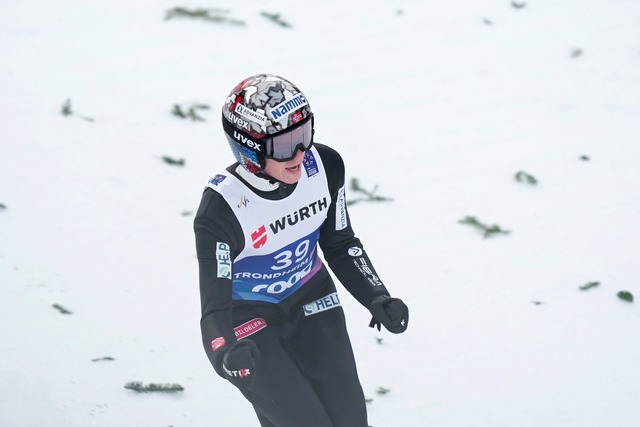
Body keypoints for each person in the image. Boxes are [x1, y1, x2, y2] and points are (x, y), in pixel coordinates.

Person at [194, 74, 409, 427]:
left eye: (304, 136)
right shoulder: (220, 212)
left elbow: (340, 244)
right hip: (248, 323)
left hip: (313, 298)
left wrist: (377, 296)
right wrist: (225, 353)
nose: (299, 154)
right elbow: (214, 309)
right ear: (248, 147)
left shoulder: (326, 166)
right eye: (282, 146)